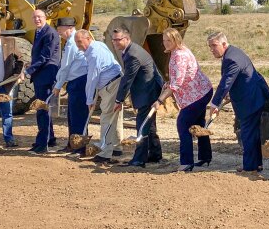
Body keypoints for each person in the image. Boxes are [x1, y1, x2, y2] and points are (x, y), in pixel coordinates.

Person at [207, 31, 269, 175]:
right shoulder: (231, 53)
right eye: (209, 46)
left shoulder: (231, 58)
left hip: (250, 99)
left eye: (214, 45)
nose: (211, 49)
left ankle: (249, 168)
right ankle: (255, 165)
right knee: (252, 133)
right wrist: (229, 93)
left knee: (247, 133)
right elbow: (236, 78)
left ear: (224, 44)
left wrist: (215, 103)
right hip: (251, 96)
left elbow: (226, 82)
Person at [152, 28, 213, 172]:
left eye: (169, 40)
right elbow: (179, 78)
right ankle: (205, 157)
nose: (165, 43)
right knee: (199, 124)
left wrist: (159, 100)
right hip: (201, 91)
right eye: (164, 40)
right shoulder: (178, 51)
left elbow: (177, 83)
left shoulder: (179, 55)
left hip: (196, 95)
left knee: (183, 124)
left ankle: (186, 163)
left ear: (176, 40)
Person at [110, 27, 164, 168]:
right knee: (149, 124)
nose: (114, 42)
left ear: (127, 39)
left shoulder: (132, 54)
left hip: (147, 92)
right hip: (148, 90)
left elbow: (127, 80)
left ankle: (139, 159)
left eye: (118, 39)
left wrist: (118, 100)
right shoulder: (131, 50)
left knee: (142, 125)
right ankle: (155, 154)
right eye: (113, 39)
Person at [75, 29, 124, 163]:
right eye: (76, 43)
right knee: (115, 115)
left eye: (80, 42)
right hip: (115, 81)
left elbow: (92, 78)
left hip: (110, 85)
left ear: (88, 38)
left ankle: (105, 152)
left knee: (107, 117)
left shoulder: (94, 54)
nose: (78, 46)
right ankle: (116, 146)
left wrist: (89, 99)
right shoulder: (99, 45)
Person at [19, 9, 60, 154]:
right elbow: (39, 56)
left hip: (46, 76)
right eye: (35, 17)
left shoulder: (49, 33)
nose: (37, 19)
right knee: (43, 108)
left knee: (42, 109)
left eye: (40, 17)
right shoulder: (39, 32)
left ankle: (42, 144)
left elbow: (45, 57)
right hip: (40, 75)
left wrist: (27, 71)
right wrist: (31, 65)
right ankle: (50, 139)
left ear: (45, 18)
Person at [52, 17, 88, 154]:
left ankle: (79, 147)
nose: (58, 32)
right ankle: (73, 144)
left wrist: (58, 85)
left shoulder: (72, 43)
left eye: (60, 29)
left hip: (79, 81)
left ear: (70, 28)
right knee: (73, 115)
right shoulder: (70, 42)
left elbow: (65, 67)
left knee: (77, 115)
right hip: (75, 81)